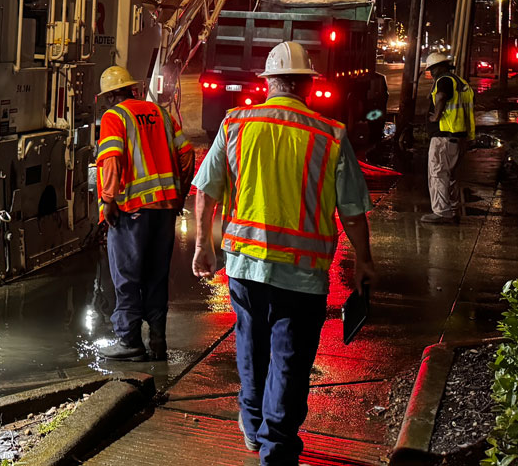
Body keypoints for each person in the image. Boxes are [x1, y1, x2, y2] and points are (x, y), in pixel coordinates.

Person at [191, 42, 376, 465]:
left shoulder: (235, 123)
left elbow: (205, 191)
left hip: (245, 266)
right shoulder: (330, 134)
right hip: (302, 274)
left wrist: (204, 246)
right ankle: (276, 450)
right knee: (289, 361)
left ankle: (253, 424)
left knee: (251, 346)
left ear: (268, 82)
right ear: (307, 85)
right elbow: (352, 212)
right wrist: (364, 262)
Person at [95, 65, 195, 362]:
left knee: (127, 276)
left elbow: (111, 158)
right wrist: (179, 193)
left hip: (132, 210)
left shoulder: (114, 117)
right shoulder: (161, 114)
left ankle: (129, 341)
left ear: (110, 96)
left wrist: (108, 200)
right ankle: (158, 340)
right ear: (132, 89)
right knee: (156, 275)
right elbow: (187, 153)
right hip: (165, 210)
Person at [421, 52, 475, 224]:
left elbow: (441, 96)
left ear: (440, 67)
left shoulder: (444, 80)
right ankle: (451, 209)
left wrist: (435, 116)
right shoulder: (460, 82)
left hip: (444, 136)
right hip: (458, 136)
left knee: (437, 174)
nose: (432, 72)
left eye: (433, 69)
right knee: (450, 176)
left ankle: (441, 212)